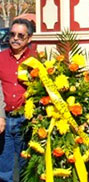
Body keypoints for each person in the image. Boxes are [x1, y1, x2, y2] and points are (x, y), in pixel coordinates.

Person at [0, 18, 34, 182]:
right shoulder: (0, 58)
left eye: (21, 35)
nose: (15, 38)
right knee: (4, 171)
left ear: (29, 38)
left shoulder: (36, 60)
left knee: (26, 169)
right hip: (3, 121)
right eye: (12, 34)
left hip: (26, 122)